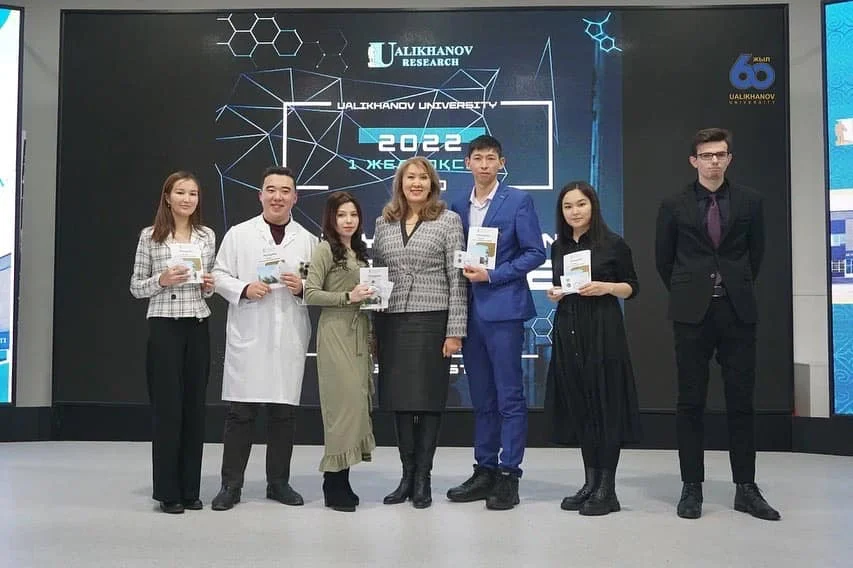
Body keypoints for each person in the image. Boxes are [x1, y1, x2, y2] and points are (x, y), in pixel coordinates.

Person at [655, 127, 780, 521]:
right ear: (694, 160)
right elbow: (664, 260)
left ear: (729, 159)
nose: (714, 161)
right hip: (691, 314)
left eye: (720, 154)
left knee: (741, 402)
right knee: (691, 402)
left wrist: (733, 286)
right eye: (706, 155)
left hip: (736, 310)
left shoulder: (750, 201)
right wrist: (691, 290)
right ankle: (692, 487)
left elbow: (756, 255)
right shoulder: (673, 204)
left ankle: (746, 487)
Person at [210, 166, 318, 511]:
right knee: (240, 413)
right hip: (251, 332)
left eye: (285, 191)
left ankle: (278, 483)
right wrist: (244, 288)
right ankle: (231, 485)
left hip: (288, 334)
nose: (277, 197)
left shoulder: (307, 240)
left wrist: (302, 287)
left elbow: (315, 284)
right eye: (271, 190)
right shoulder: (239, 235)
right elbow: (218, 274)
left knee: (283, 415)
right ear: (260, 195)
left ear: (295, 198)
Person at [448, 134, 546, 510]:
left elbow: (535, 252)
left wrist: (493, 275)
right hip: (469, 311)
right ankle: (484, 469)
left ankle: (509, 474)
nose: (485, 164)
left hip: (504, 310)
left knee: (509, 395)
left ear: (501, 163)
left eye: (491, 158)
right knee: (482, 396)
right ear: (467, 163)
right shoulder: (457, 203)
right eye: (478, 158)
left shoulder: (518, 200)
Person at [372, 156, 467, 509]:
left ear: (432, 184)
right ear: (400, 183)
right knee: (399, 402)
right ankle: (406, 477)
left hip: (432, 319)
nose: (416, 183)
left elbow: (457, 278)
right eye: (410, 177)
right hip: (393, 320)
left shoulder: (448, 220)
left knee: (428, 402)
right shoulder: (384, 222)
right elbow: (377, 276)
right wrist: (373, 332)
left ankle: (423, 478)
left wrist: (455, 331)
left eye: (423, 178)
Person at [544, 181, 641, 516]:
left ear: (593, 206)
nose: (575, 211)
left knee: (605, 405)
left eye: (581, 204)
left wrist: (606, 287)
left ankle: (607, 489)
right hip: (569, 329)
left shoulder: (613, 243)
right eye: (568, 206)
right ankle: (590, 482)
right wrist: (555, 293)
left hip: (602, 329)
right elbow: (561, 285)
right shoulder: (558, 246)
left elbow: (633, 287)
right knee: (581, 406)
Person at [130, 171, 216, 514]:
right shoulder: (150, 236)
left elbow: (208, 285)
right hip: (164, 326)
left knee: (194, 409)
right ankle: (168, 492)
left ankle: (190, 489)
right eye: (180, 192)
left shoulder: (206, 236)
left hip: (197, 323)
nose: (187, 199)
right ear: (167, 197)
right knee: (168, 410)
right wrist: (162, 279)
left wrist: (208, 285)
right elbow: (136, 286)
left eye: (193, 193)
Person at [304, 192, 376, 512]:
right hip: (335, 332)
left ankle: (343, 479)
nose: (348, 221)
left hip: (359, 332)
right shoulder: (324, 250)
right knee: (341, 409)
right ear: (331, 219)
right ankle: (332, 482)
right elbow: (310, 293)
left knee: (357, 405)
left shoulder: (359, 251)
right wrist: (348, 296)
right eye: (342, 215)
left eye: (353, 215)